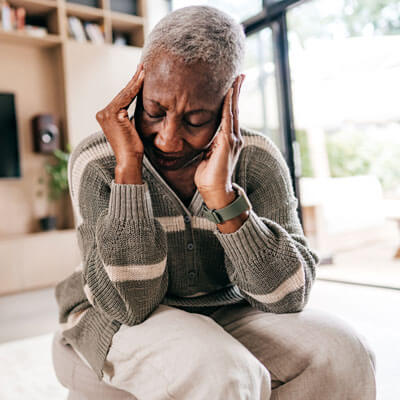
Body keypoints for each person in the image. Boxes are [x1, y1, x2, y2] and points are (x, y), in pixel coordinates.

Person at [54, 5, 376, 399]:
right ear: (137, 86)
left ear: (230, 100)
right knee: (222, 370)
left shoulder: (257, 160)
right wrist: (129, 173)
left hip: (229, 309)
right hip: (115, 316)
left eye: (195, 120)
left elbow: (289, 296)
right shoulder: (99, 161)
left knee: (344, 352)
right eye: (155, 111)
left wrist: (223, 199)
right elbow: (130, 305)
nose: (168, 139)